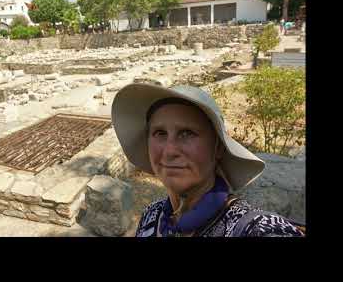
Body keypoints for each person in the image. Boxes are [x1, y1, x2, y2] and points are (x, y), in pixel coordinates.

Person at [111, 83, 305, 237]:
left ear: (218, 147)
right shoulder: (151, 217)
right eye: (160, 133)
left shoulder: (258, 229)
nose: (169, 151)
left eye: (187, 133)